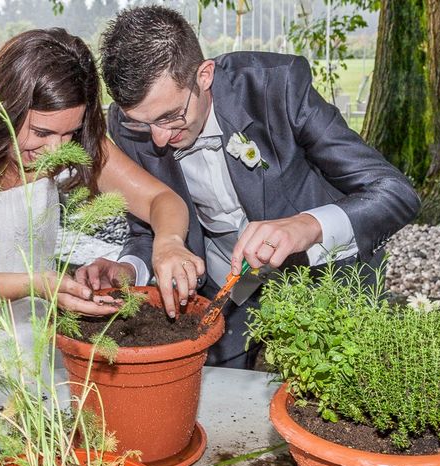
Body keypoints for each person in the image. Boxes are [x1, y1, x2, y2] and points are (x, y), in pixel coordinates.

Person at [77, 6, 421, 369]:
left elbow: (394, 192)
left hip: (325, 277)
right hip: (223, 289)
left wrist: (306, 226)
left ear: (204, 75)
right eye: (144, 125)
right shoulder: (131, 123)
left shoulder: (277, 87)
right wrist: (130, 268)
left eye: (170, 116)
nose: (159, 138)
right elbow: (149, 230)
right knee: (209, 392)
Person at [0, 28, 203, 369]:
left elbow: (162, 199)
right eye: (41, 132)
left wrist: (170, 243)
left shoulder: (62, 142)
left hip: (29, 322)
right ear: (5, 107)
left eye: (69, 132)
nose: (56, 150)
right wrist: (37, 284)